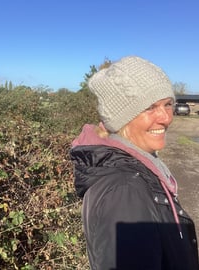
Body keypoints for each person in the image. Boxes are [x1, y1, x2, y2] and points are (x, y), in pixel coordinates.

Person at [70, 56, 199, 270]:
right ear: (121, 119)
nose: (166, 118)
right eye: (150, 107)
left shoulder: (141, 171)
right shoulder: (123, 190)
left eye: (168, 104)